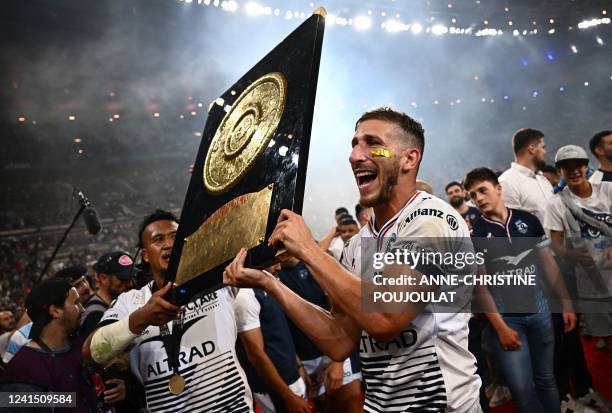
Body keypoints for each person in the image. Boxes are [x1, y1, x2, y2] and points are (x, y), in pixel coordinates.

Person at [225, 107, 482, 412]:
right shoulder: (357, 244)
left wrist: (309, 250)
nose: (355, 156)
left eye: (372, 143)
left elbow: (386, 319)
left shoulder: (432, 220)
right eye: (354, 144)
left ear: (409, 159)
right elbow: (339, 342)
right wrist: (270, 284)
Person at [84, 209, 256, 412]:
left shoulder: (215, 278)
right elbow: (90, 353)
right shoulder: (130, 302)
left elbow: (248, 231)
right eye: (158, 239)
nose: (168, 244)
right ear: (146, 255)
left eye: (175, 237)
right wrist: (141, 318)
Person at [465, 167, 577, 413]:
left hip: (541, 313)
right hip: (507, 321)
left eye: (482, 190)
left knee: (547, 380)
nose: (479, 198)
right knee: (522, 390)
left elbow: (548, 263)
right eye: (473, 196)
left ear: (498, 189)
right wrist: (501, 328)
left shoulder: (527, 220)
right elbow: (480, 288)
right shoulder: (476, 235)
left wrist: (566, 304)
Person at [544, 145, 612, 410]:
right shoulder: (556, 204)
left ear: (587, 166)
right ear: (559, 171)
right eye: (566, 167)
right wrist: (573, 255)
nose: (573, 170)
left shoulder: (608, 191)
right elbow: (556, 245)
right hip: (591, 285)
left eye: (578, 165)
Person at [0, 278, 103, 412]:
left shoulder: (78, 344)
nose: (83, 309)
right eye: (76, 303)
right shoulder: (24, 367)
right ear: (55, 311)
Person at [278, 256, 362, 413]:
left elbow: (342, 312)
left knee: (351, 400)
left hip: (334, 351)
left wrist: (338, 362)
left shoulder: (315, 263)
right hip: (306, 358)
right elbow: (281, 328)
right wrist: (298, 364)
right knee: (327, 408)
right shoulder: (274, 275)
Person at [235, 264, 310, 413]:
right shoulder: (245, 295)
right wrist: (288, 396)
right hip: (275, 389)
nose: (280, 267)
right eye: (274, 261)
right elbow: (256, 355)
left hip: (291, 377)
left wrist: (298, 365)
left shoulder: (269, 282)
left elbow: (280, 332)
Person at [498, 128, 553, 223]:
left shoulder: (543, 179)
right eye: (543, 147)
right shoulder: (506, 182)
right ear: (532, 149)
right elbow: (511, 227)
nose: (545, 152)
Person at [81, 251, 136, 338]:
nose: (130, 284)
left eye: (131, 277)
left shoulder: (117, 305)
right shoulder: (95, 315)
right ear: (104, 278)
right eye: (123, 279)